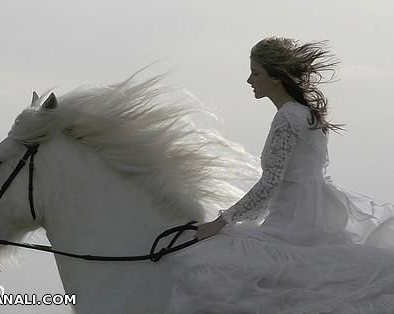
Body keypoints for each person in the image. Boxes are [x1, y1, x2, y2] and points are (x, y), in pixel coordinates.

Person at [166, 37, 394, 313]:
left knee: (210, 264)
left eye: (256, 73)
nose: (249, 80)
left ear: (275, 78)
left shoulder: (287, 118)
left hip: (292, 223)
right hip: (311, 216)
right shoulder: (306, 114)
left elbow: (270, 182)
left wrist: (221, 221)